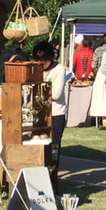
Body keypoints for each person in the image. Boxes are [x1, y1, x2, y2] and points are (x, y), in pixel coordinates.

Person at [32, 41, 67, 193]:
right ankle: (39, 180)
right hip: (40, 114)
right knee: (38, 146)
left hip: (56, 114)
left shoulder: (59, 70)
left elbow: (57, 94)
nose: (41, 64)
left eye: (44, 61)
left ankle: (52, 181)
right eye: (38, 61)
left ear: (50, 57)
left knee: (53, 149)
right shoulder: (36, 68)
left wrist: (39, 89)